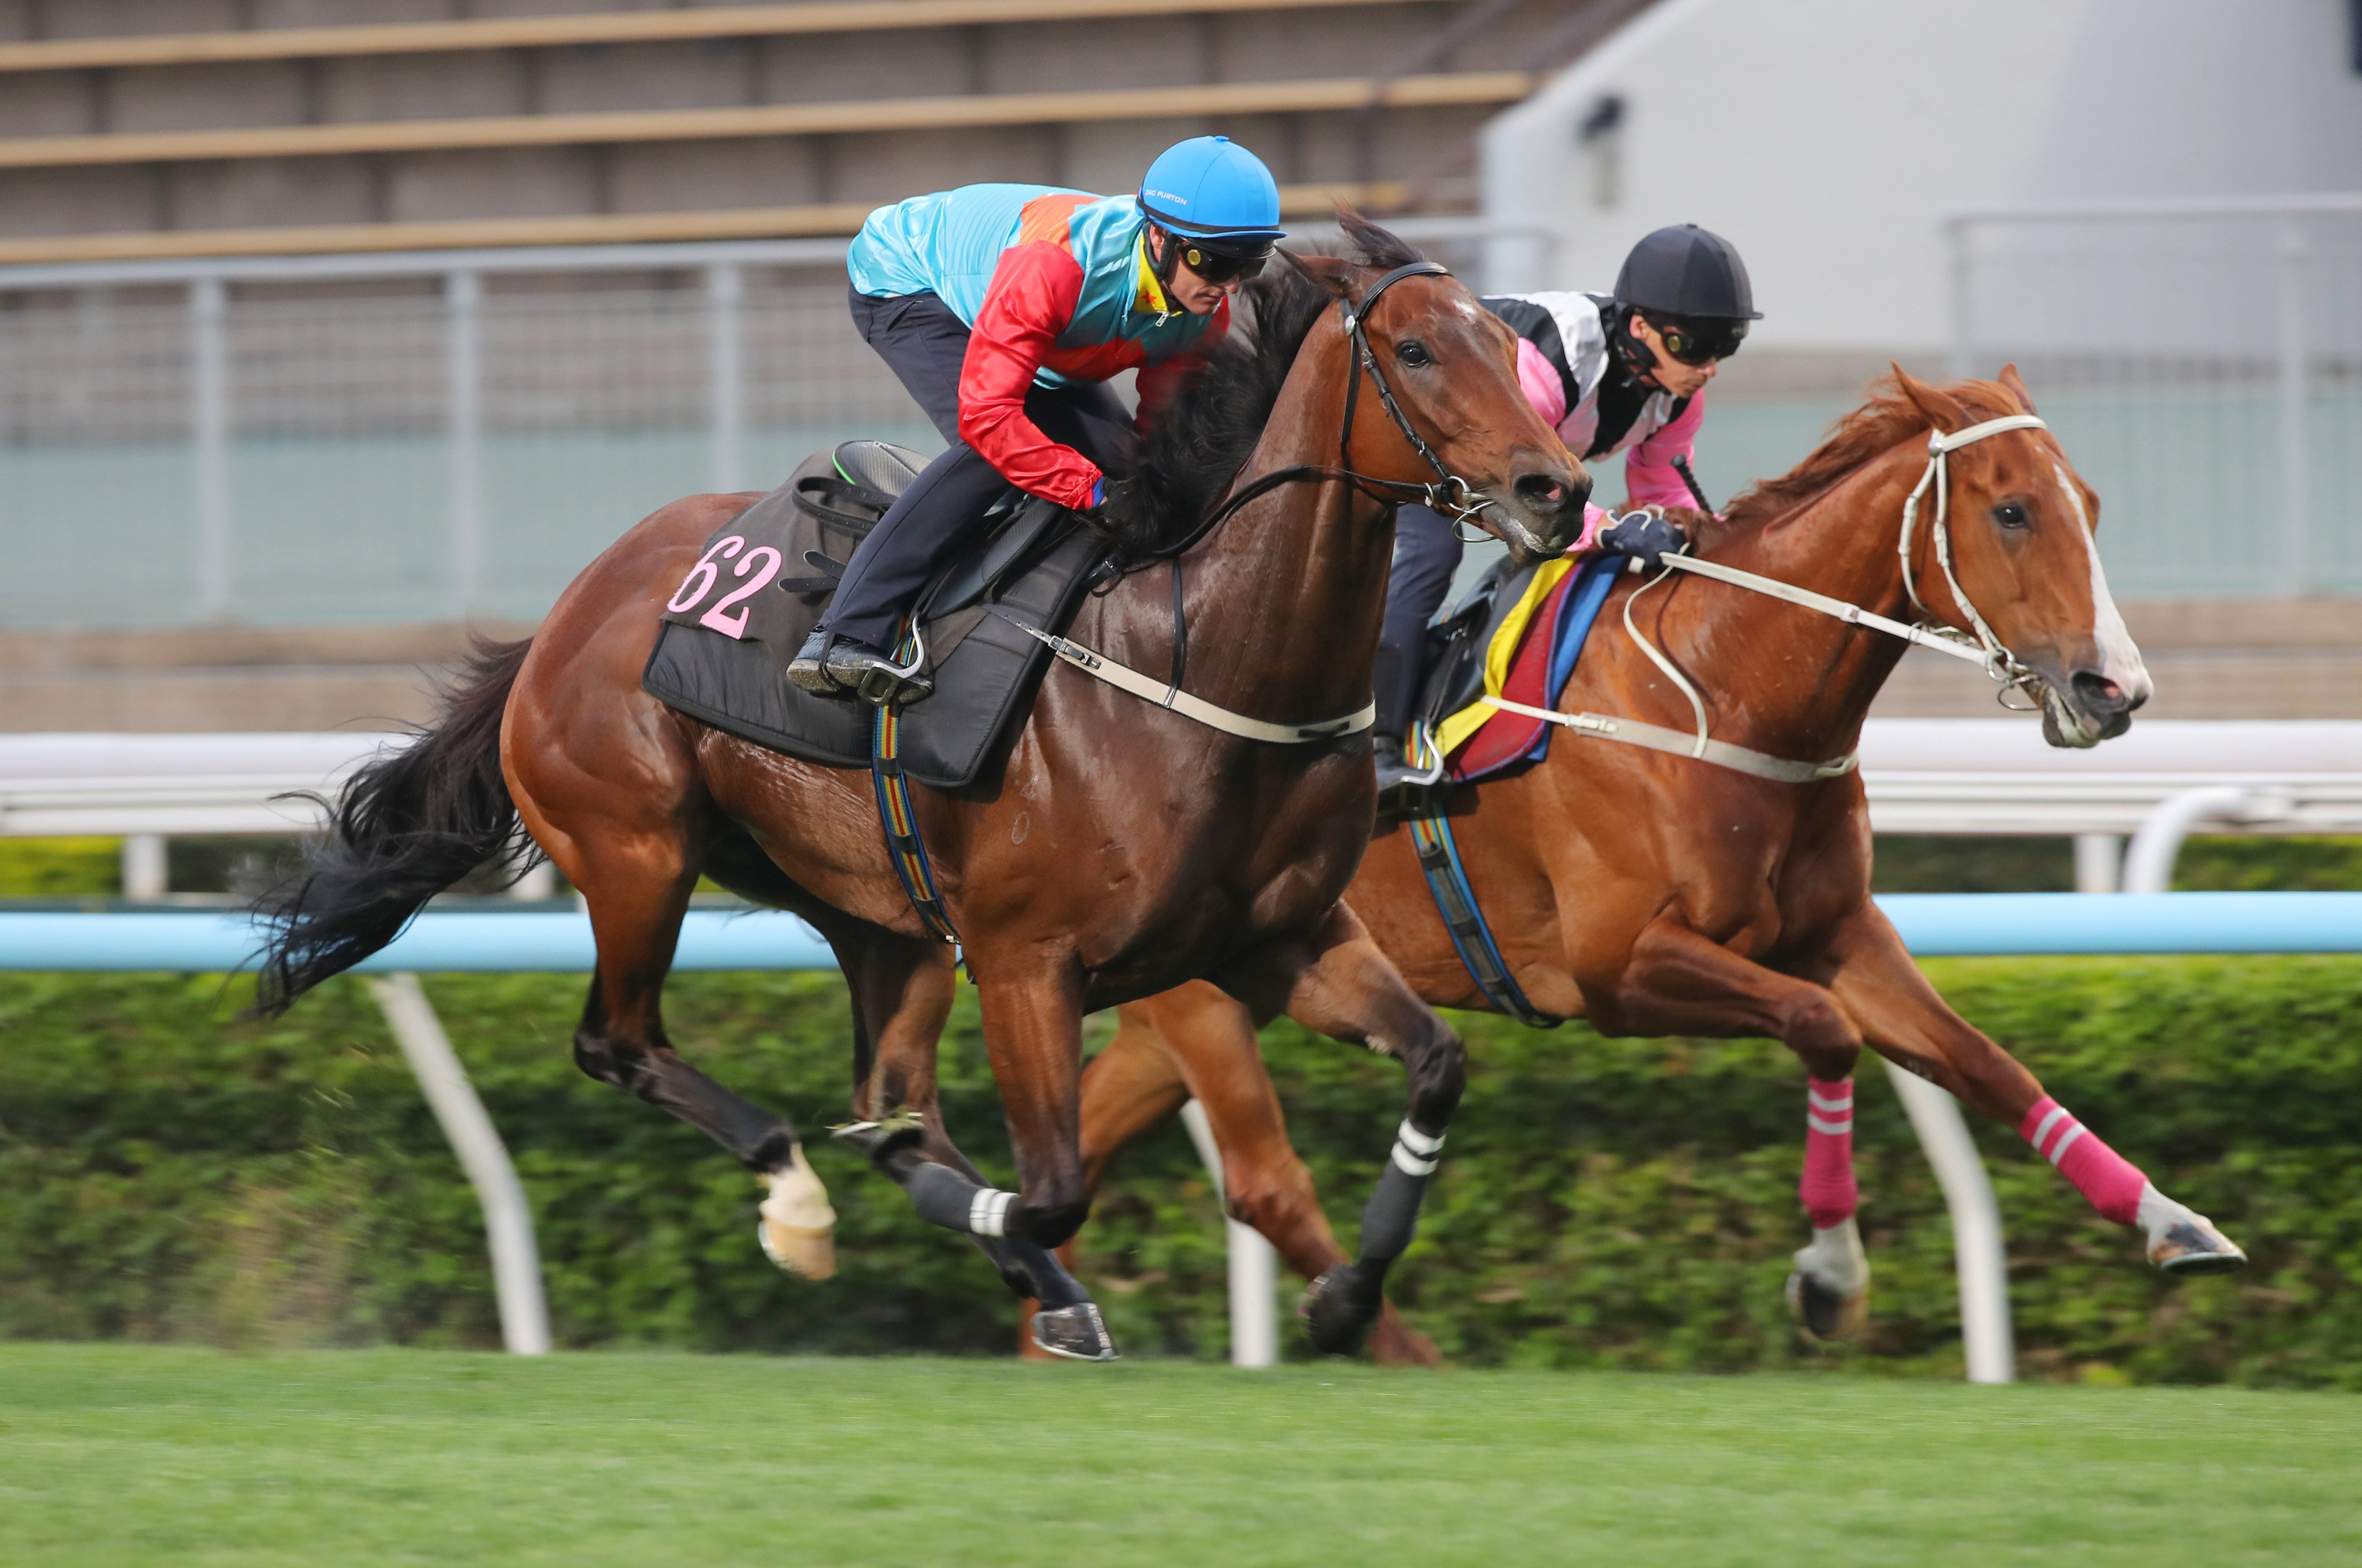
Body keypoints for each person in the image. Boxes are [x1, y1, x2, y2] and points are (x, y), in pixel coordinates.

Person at [789, 136, 1286, 705]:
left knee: (1121, 464)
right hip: (913, 288)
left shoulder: (1203, 308)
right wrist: (1089, 491)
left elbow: (1160, 437)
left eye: (1249, 264)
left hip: (1044, 330)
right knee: (997, 455)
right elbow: (989, 418)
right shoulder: (1054, 267)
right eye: (1216, 262)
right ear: (1158, 237)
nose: (1229, 286)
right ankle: (844, 633)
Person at [1372, 222, 1762, 805]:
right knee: (1433, 553)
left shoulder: (1677, 392)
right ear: (1639, 327)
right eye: (1693, 348)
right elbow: (1519, 493)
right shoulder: (1551, 360)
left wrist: (1714, 552)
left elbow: (1663, 487)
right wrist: (1609, 527)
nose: (1707, 368)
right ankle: (1376, 747)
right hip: (1421, 437)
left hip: (1499, 461)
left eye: (1723, 349)